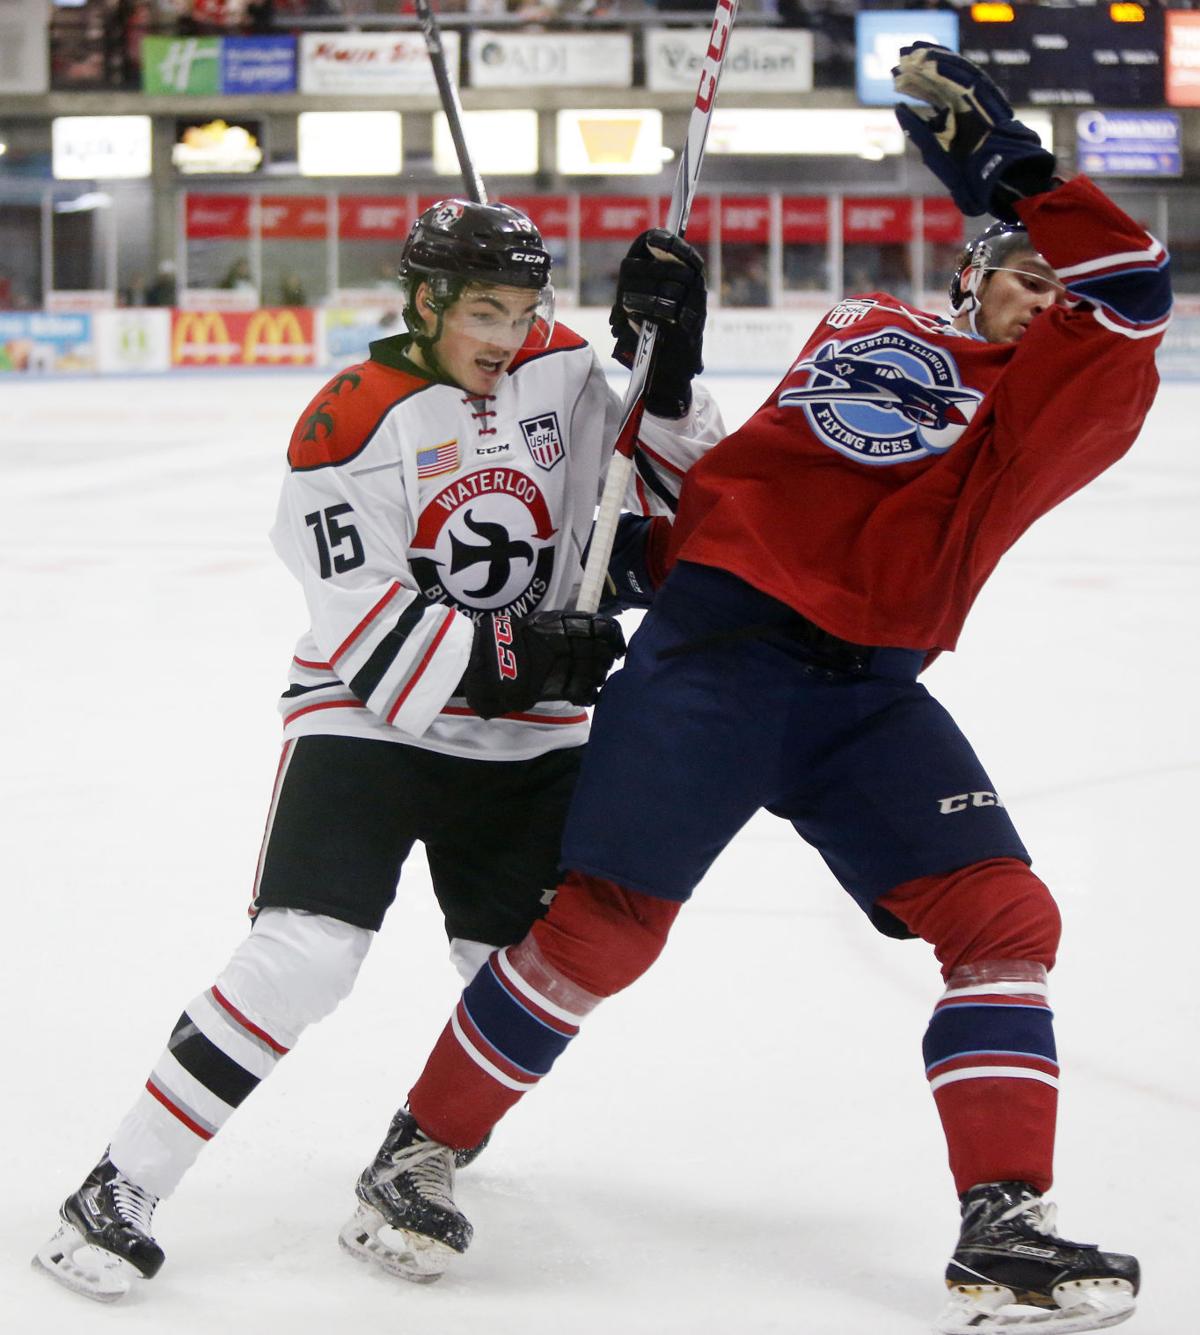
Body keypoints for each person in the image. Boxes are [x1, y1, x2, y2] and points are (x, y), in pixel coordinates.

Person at [346, 45, 1172, 1335]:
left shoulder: (1059, 394)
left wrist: (1016, 172)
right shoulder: (860, 324)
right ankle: (416, 1148)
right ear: (972, 274)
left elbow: (1133, 287)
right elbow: (733, 488)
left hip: (867, 695)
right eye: (1024, 273)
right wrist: (663, 373)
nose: (1044, 295)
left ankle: (1004, 1221)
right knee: (602, 933)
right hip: (716, 654)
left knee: (1005, 917)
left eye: (1056, 287)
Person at [33, 198, 723, 1301]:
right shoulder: (348, 420)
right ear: (426, 300)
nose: (506, 334)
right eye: (482, 311)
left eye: (523, 309)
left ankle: (421, 1148)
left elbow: (687, 494)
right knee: (305, 953)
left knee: (534, 976)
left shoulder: (560, 372)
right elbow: (369, 632)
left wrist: (670, 374)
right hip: (369, 720)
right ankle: (119, 1186)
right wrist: (525, 652)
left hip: (528, 742)